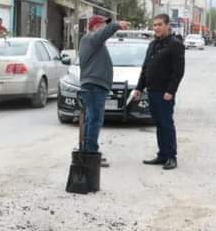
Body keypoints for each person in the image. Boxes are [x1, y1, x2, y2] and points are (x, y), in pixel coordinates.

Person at [133, 14, 185, 170]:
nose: (156, 28)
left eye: (159, 24)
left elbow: (178, 71)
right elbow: (145, 68)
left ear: (168, 25)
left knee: (166, 124)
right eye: (154, 25)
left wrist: (171, 91)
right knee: (159, 124)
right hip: (152, 90)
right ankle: (162, 154)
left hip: (165, 92)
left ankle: (171, 157)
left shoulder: (175, 45)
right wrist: (139, 87)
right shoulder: (153, 44)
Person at [77, 15, 129, 166]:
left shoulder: (95, 43)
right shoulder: (90, 38)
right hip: (94, 86)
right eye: (102, 25)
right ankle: (91, 154)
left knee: (92, 119)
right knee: (95, 120)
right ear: (94, 27)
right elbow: (104, 33)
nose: (104, 27)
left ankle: (88, 151)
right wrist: (116, 25)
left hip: (95, 85)